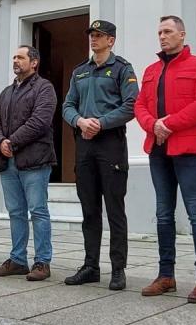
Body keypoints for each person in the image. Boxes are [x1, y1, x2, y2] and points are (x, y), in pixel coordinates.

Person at [134, 16, 196, 303]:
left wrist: (169, 124)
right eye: (159, 32)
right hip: (158, 149)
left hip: (188, 149)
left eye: (168, 31)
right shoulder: (151, 70)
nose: (162, 36)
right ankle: (166, 275)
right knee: (163, 214)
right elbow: (140, 104)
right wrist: (152, 125)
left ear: (182, 34)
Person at [57, 20, 138, 290]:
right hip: (85, 145)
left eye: (99, 35)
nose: (94, 39)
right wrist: (80, 121)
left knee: (115, 209)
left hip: (110, 143)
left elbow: (131, 106)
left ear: (111, 40)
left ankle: (118, 269)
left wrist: (100, 123)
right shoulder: (80, 71)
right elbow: (67, 105)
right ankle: (91, 265)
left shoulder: (122, 69)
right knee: (89, 209)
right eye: (92, 35)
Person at [0, 46, 58, 281]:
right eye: (14, 57)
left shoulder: (44, 88)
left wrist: (12, 141)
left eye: (21, 57)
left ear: (34, 62)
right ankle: (18, 259)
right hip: (8, 162)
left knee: (38, 211)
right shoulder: (7, 91)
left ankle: (42, 262)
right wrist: (0, 142)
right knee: (16, 212)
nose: (16, 61)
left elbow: (40, 121)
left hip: (35, 161)